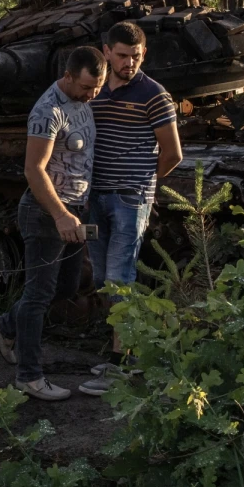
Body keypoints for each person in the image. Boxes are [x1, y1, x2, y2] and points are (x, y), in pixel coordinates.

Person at [0, 46, 107, 401]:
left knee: (65, 288)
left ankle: (7, 324)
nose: (92, 95)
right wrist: (60, 214)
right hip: (46, 214)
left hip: (75, 210)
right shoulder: (48, 110)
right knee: (38, 294)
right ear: (68, 75)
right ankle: (29, 376)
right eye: (87, 87)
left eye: (98, 88)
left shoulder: (82, 102)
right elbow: (33, 170)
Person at [79, 21, 182, 397]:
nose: (129, 63)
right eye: (122, 55)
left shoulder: (154, 94)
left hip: (129, 198)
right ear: (106, 51)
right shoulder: (95, 91)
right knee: (106, 277)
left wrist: (144, 183)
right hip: (96, 197)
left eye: (136, 56)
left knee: (122, 279)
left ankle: (124, 368)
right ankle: (122, 354)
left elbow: (172, 152)